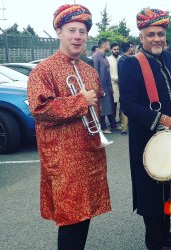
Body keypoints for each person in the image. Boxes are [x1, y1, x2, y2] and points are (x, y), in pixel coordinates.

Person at [27, 4, 111, 249]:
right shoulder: (42, 71)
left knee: (85, 214)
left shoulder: (88, 70)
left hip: (90, 154)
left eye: (82, 31)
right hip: (63, 158)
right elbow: (39, 110)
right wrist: (80, 101)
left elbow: (94, 111)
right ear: (59, 32)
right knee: (70, 218)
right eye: (71, 30)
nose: (77, 36)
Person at [119, 8, 171, 250]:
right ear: (141, 37)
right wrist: (160, 119)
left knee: (169, 185)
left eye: (160, 33)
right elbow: (128, 104)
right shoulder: (130, 64)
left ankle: (166, 236)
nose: (156, 39)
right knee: (151, 189)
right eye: (151, 34)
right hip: (145, 136)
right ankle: (154, 241)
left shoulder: (169, 58)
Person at [93, 38, 118, 133]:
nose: (109, 46)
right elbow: (94, 74)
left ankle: (113, 125)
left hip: (108, 88)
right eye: (108, 44)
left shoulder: (104, 57)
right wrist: (99, 89)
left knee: (109, 106)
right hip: (101, 88)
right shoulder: (96, 57)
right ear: (104, 45)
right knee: (102, 108)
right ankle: (103, 127)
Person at [117, 42, 133, 135]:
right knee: (125, 106)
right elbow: (124, 75)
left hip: (124, 86)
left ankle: (124, 126)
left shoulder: (123, 59)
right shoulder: (123, 60)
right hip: (126, 86)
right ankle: (124, 127)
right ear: (129, 48)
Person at [107, 42, 121, 122]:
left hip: (121, 84)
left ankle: (119, 119)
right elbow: (108, 73)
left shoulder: (121, 58)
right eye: (115, 49)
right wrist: (116, 79)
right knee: (114, 103)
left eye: (117, 49)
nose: (116, 51)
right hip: (113, 84)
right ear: (111, 50)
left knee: (122, 103)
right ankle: (113, 121)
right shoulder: (108, 59)